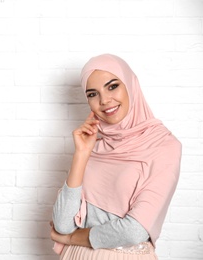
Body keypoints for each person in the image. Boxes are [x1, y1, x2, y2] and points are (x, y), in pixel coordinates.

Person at [50, 54, 182, 259]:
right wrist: (81, 155)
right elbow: (62, 224)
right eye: (93, 94)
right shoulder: (93, 146)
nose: (104, 100)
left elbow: (135, 230)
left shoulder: (164, 146)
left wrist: (71, 239)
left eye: (112, 86)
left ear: (130, 86)